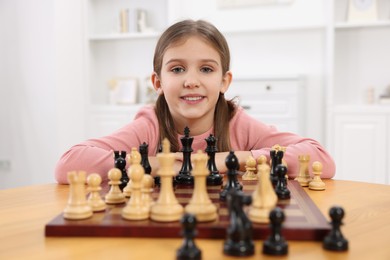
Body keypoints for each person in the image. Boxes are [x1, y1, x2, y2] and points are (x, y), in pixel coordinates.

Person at [55, 19, 335, 184]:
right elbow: (67, 164)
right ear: (158, 83)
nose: (191, 80)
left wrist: (229, 159)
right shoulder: (150, 126)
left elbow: (321, 158)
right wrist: (153, 164)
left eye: (206, 69)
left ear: (224, 81)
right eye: (177, 69)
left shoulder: (237, 124)